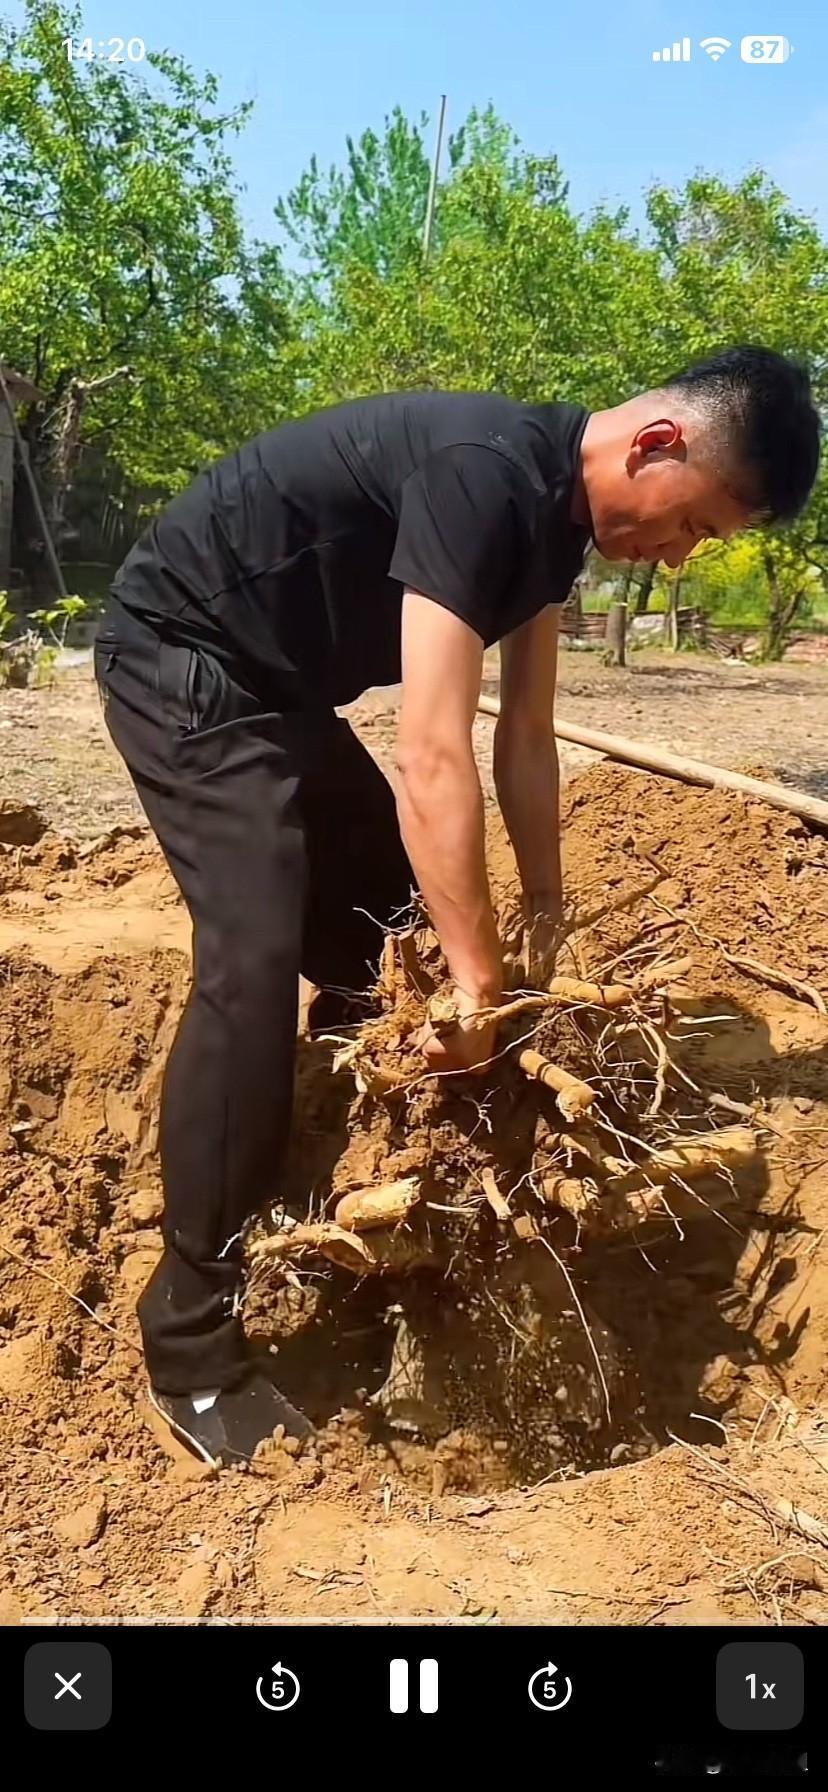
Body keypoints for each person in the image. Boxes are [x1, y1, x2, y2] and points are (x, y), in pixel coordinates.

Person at [95, 345, 820, 1465]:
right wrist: (481, 986)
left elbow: (523, 737)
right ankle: (191, 1340)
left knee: (390, 942)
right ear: (656, 444)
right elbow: (430, 750)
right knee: (253, 961)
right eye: (694, 524)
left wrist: (543, 909)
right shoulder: (486, 473)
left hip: (280, 693)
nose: (679, 555)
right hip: (180, 657)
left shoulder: (555, 526)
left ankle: (333, 1196)